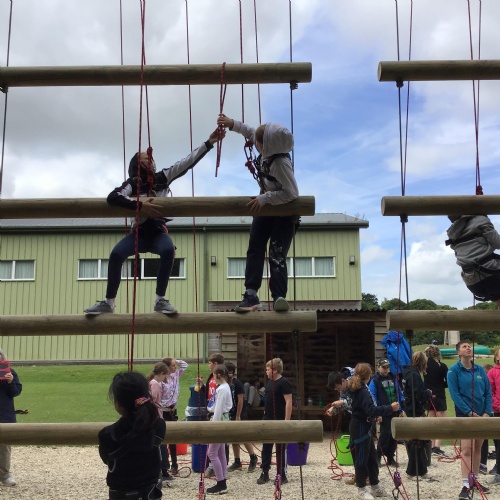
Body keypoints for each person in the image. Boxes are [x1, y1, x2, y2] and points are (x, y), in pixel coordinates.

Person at [84, 128, 223, 315]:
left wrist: (209, 143)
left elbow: (187, 162)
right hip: (139, 233)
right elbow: (113, 197)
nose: (149, 158)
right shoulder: (132, 183)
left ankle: (160, 300)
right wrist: (140, 206)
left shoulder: (163, 177)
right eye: (144, 157)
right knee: (116, 255)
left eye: (150, 157)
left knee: (168, 250)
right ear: (137, 163)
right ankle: (108, 303)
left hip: (158, 232)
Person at [217, 114, 299, 313]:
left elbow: (292, 193)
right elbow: (250, 132)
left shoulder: (280, 163)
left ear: (268, 145)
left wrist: (265, 198)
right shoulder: (267, 148)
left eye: (259, 143)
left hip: (284, 211)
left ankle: (279, 297)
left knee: (276, 253)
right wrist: (232, 124)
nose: (256, 144)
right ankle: (251, 294)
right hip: (267, 206)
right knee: (255, 247)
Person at [98, 371, 166, 500]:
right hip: (151, 495)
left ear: (118, 404)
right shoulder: (159, 426)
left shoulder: (107, 435)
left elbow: (107, 460)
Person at [447, 341, 492, 499]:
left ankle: (475, 480)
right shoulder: (453, 371)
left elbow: (488, 392)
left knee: (478, 447)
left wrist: (487, 412)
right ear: (458, 352)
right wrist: (468, 412)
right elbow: (455, 395)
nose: (468, 348)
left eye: (469, 346)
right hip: (464, 415)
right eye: (464, 346)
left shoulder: (479, 370)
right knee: (466, 449)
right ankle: (466, 485)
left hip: (482, 415)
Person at [347, 363, 398, 499]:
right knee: (361, 458)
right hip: (360, 427)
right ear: (368, 375)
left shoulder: (357, 387)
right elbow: (370, 409)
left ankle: (375, 485)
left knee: (372, 457)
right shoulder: (361, 390)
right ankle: (361, 488)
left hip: (364, 425)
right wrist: (389, 408)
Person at [446, 214, 500, 306]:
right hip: (493, 276)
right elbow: (497, 243)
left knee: (497, 297)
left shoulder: (452, 232)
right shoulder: (480, 220)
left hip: (474, 285)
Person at [257, 358, 292, 486]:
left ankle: (281, 474)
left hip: (280, 419)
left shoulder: (284, 383)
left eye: (268, 369)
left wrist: (286, 421)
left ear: (275, 370)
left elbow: (289, 402)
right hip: (268, 419)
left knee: (280, 448)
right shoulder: (269, 383)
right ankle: (265, 472)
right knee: (266, 447)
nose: (266, 371)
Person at [402, 352, 432, 480]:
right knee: (416, 440)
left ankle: (422, 470)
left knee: (420, 440)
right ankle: (412, 471)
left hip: (410, 408)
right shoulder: (414, 375)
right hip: (414, 409)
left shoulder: (407, 373)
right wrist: (428, 393)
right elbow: (419, 395)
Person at [368, 358, 404, 467]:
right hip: (383, 411)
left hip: (395, 410)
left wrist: (401, 409)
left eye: (388, 367)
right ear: (378, 367)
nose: (386, 369)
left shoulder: (393, 377)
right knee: (385, 434)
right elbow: (372, 397)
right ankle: (378, 456)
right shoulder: (375, 380)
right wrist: (377, 413)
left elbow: (399, 393)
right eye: (384, 367)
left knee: (394, 435)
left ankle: (390, 457)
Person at [225, 362, 259, 473]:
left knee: (243, 436)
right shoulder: (225, 384)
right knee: (234, 438)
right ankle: (237, 461)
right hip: (230, 414)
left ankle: (253, 457)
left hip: (239, 413)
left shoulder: (237, 383)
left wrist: (238, 415)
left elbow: (240, 400)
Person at [206, 365, 232, 495]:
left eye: (214, 375)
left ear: (218, 375)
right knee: (220, 451)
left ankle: (220, 482)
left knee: (212, 453)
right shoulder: (225, 387)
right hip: (223, 420)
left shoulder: (222, 389)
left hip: (219, 421)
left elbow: (218, 409)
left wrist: (214, 426)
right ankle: (223, 479)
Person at [159, 357, 187, 476]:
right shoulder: (162, 380)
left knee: (173, 438)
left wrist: (175, 360)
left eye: (175, 365)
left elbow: (185, 365)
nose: (175, 368)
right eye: (173, 366)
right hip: (164, 411)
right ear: (167, 367)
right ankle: (164, 465)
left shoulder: (176, 375)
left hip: (172, 411)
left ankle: (174, 464)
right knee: (163, 438)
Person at [199, 353, 225, 480]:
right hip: (211, 411)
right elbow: (209, 395)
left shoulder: (221, 381)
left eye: (209, 363)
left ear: (215, 364)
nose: (208, 365)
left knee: (216, 448)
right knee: (217, 448)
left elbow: (220, 398)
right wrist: (202, 386)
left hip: (217, 414)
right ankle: (220, 471)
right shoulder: (211, 377)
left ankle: (218, 471)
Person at [146, 362, 172, 482]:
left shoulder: (151, 382)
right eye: (165, 375)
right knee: (160, 444)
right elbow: (153, 402)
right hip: (156, 417)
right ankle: (163, 470)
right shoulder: (155, 384)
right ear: (161, 374)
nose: (165, 377)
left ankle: (160, 471)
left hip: (153, 416)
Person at [0, 348, 22, 487]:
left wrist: (11, 381)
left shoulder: (10, 372)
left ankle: (5, 475)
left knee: (4, 447)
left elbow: (15, 392)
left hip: (4, 415)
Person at [423, 344, 448, 457]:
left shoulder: (425, 366)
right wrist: (441, 384)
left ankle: (430, 445)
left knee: (430, 422)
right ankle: (436, 447)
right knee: (442, 422)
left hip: (428, 395)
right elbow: (448, 382)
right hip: (440, 395)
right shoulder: (442, 366)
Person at [487, 351, 500, 484]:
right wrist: (497, 405)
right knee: (498, 443)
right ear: (496, 358)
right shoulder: (492, 372)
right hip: (498, 411)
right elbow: (490, 391)